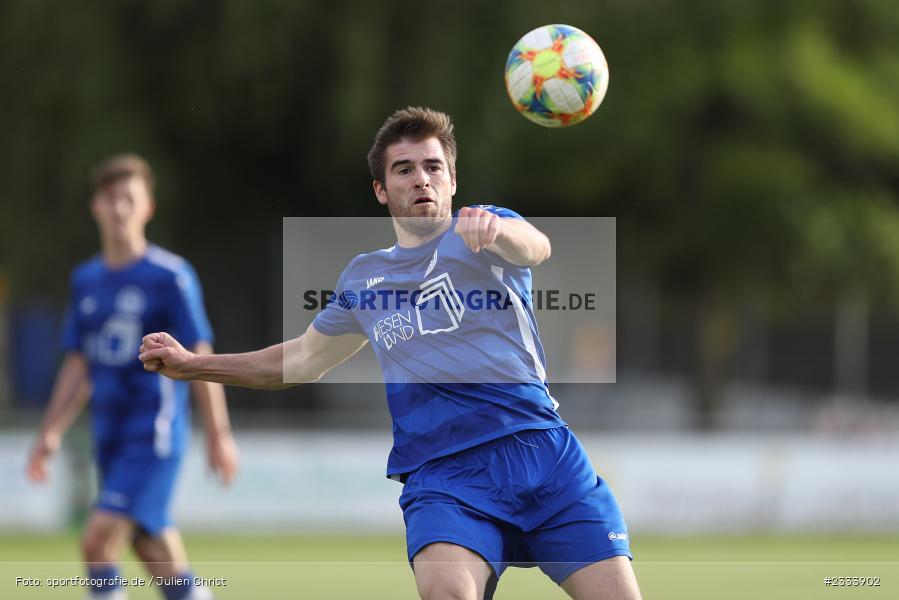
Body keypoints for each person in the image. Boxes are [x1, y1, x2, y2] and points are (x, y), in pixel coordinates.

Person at [138, 107, 641, 600]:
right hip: (445, 478)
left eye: (433, 167)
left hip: (543, 455)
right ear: (381, 190)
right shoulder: (363, 278)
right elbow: (302, 360)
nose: (421, 179)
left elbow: (535, 247)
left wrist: (499, 230)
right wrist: (193, 364)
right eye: (405, 169)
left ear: (452, 180)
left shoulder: (485, 230)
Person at [27, 154, 239, 600]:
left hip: (153, 433)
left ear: (147, 208)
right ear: (96, 207)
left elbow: (200, 355)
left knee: (97, 541)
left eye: (129, 199)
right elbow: (80, 362)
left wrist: (219, 434)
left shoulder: (170, 276)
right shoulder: (85, 279)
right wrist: (50, 431)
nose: (119, 208)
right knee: (158, 556)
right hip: (110, 436)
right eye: (110, 199)